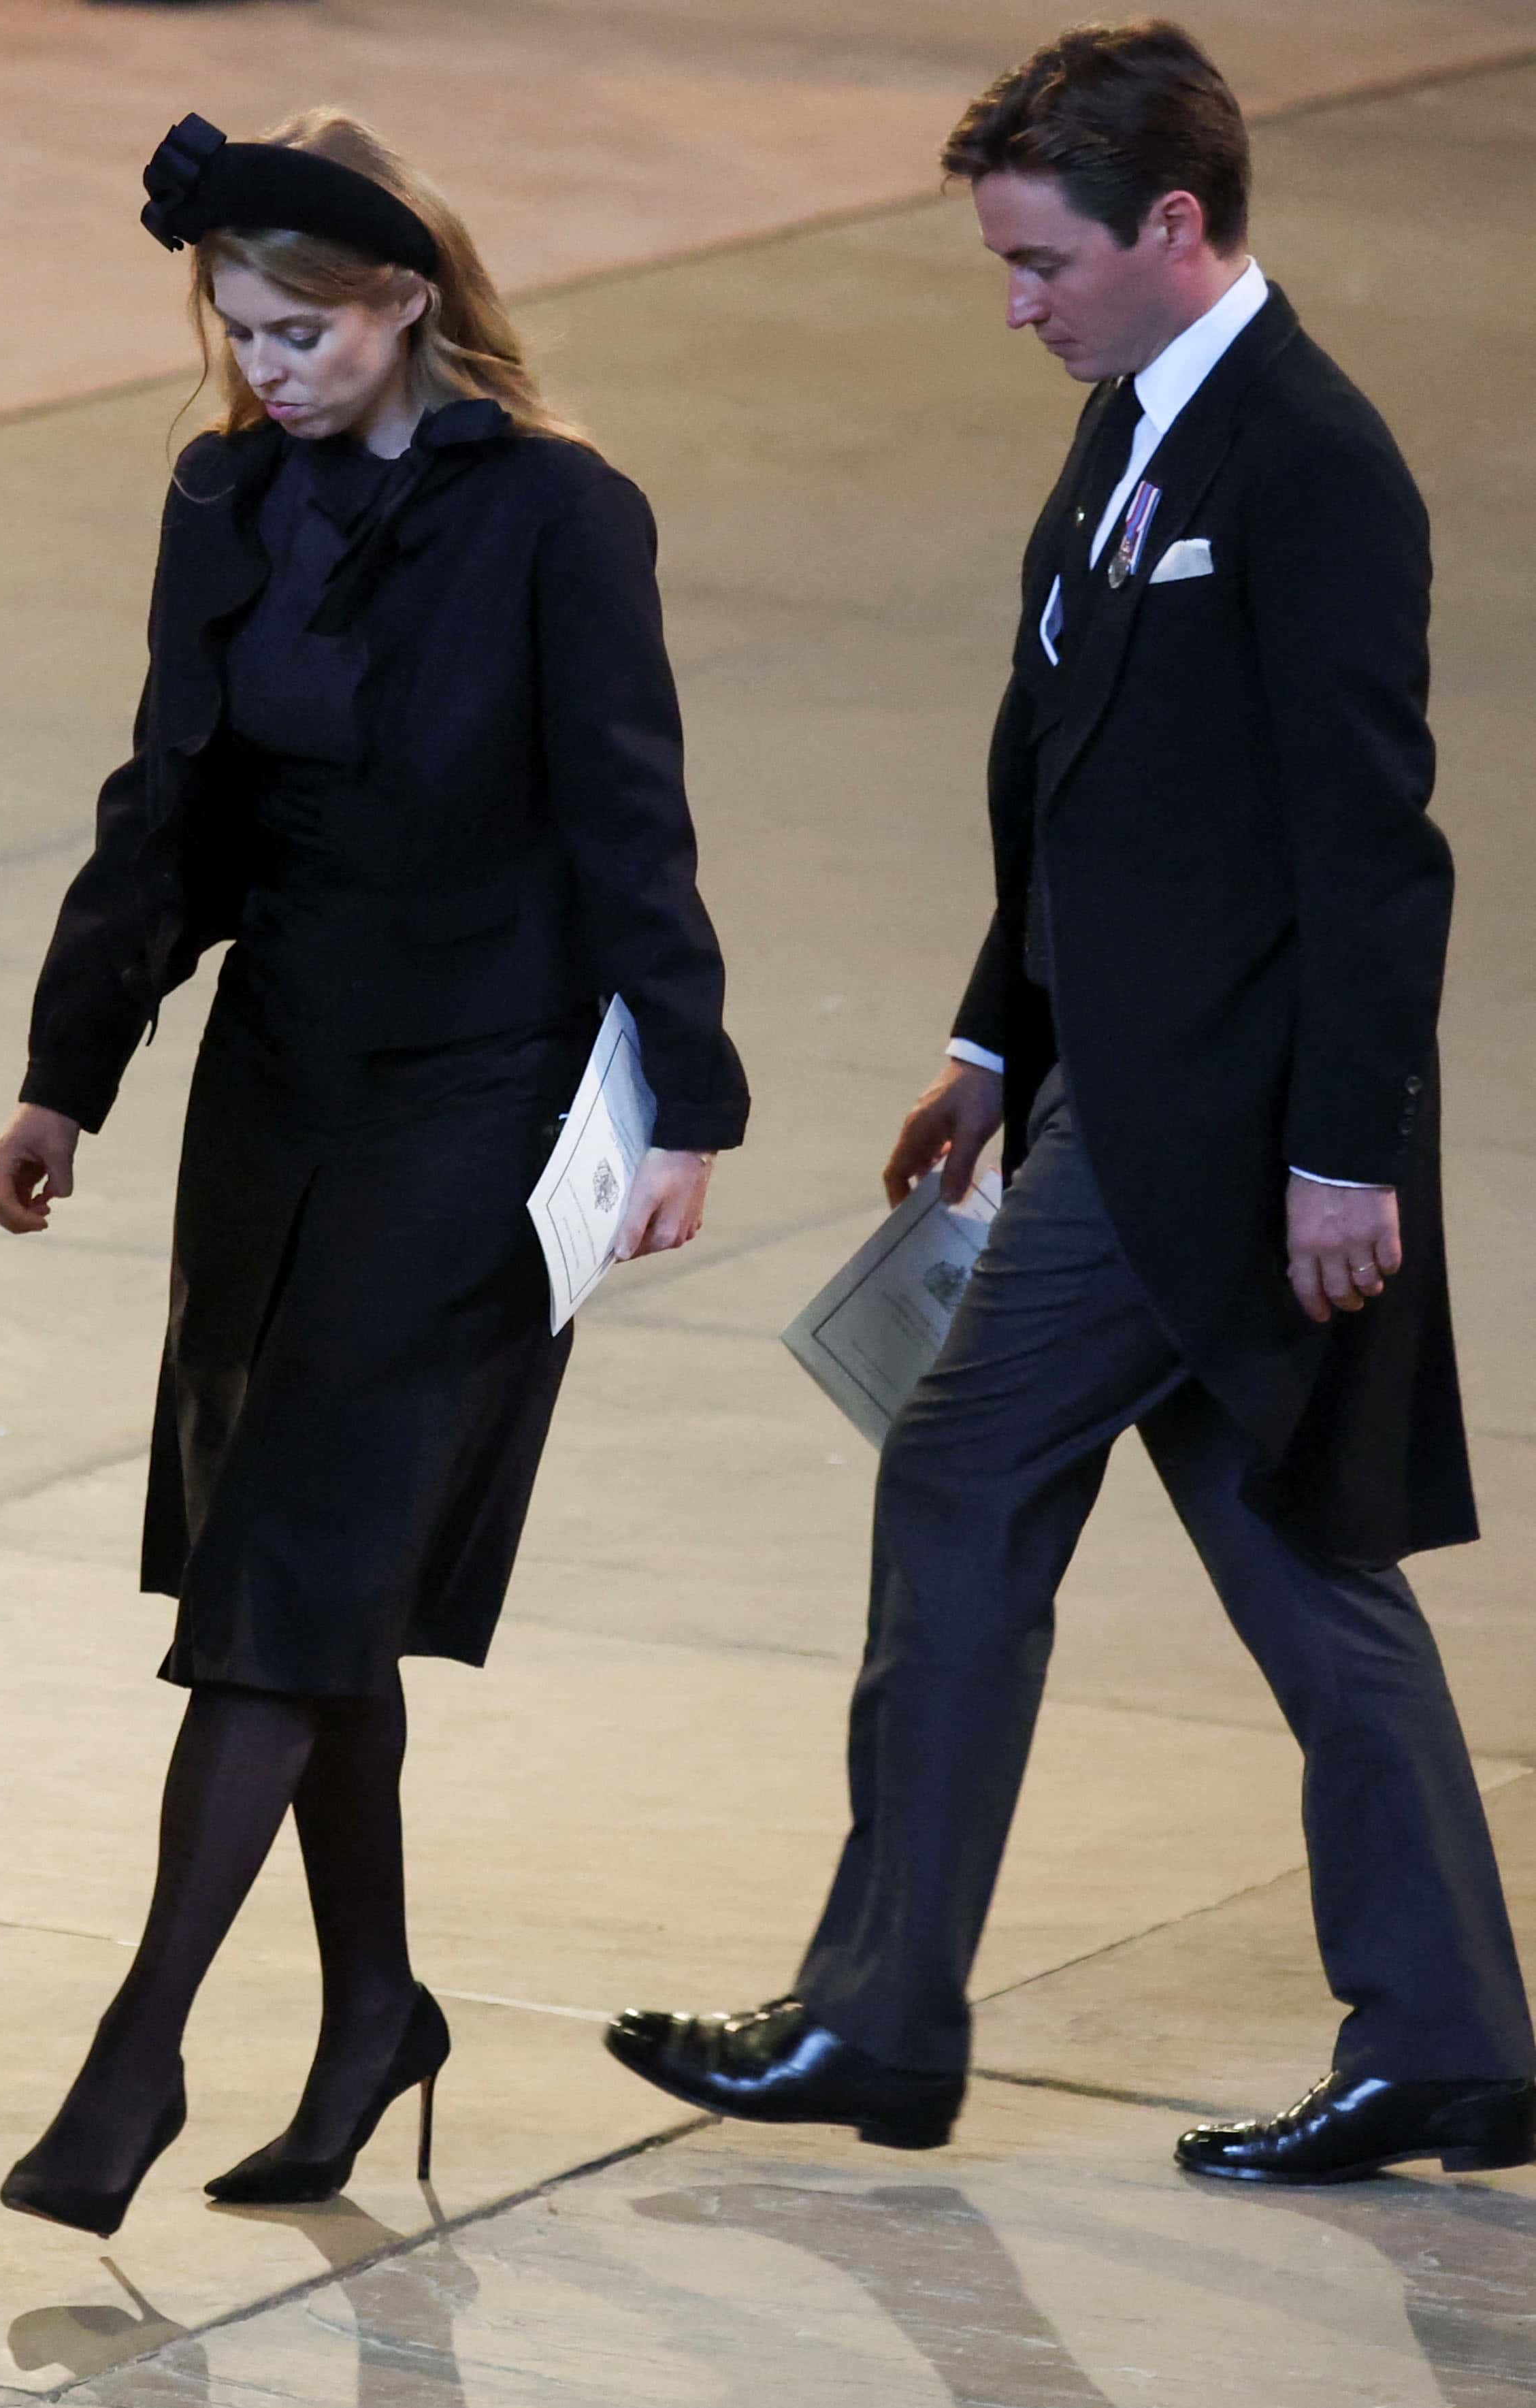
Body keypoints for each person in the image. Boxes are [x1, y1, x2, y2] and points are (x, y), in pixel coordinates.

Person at [607, 20, 1534, 2185]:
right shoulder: (1130, 424)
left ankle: (874, 2012)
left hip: (1216, 1131)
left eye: (1039, 263)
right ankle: (1452, 2036)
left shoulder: (1303, 458)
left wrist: (1340, 1153)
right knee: (1292, 1542)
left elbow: (1370, 846)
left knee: (955, 1476)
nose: (1012, 305)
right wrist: (985, 1041)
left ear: (1175, 225)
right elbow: (1079, 791)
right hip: (1105, 1079)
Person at [0, 111, 747, 2238]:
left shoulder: (559, 518)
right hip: (279, 1096)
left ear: (410, 299)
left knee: (280, 1589)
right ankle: (374, 2008)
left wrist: (684, 1099)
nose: (266, 363)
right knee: (306, 1579)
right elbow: (172, 807)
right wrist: (69, 1067)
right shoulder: (225, 493)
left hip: (481, 1106)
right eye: (234, 327)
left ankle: (134, 2048)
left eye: (301, 326)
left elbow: (627, 819)